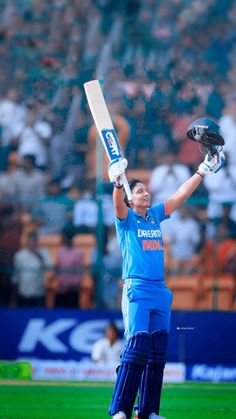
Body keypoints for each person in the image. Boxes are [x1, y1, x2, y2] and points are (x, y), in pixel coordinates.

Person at [106, 119, 225, 419]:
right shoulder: (127, 220)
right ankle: (120, 410)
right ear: (132, 198)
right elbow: (118, 204)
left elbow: (180, 196)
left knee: (158, 353)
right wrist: (118, 182)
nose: (147, 193)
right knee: (136, 349)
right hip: (137, 289)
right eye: (141, 191)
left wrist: (201, 171)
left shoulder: (155, 217)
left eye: (147, 190)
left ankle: (149, 412)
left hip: (160, 290)